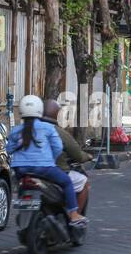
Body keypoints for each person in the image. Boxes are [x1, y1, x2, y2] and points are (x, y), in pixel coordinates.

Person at [6, 95, 86, 224]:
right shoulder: (48, 128)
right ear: (39, 110)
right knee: (67, 183)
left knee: (22, 187)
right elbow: (58, 147)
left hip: (20, 170)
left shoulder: (15, 130)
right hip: (44, 168)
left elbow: (9, 149)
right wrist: (50, 159)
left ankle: (23, 211)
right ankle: (74, 214)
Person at [43, 99, 92, 214]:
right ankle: (75, 217)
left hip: (30, 171)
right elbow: (78, 155)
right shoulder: (58, 132)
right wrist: (88, 156)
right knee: (83, 182)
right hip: (53, 171)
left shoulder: (30, 129)